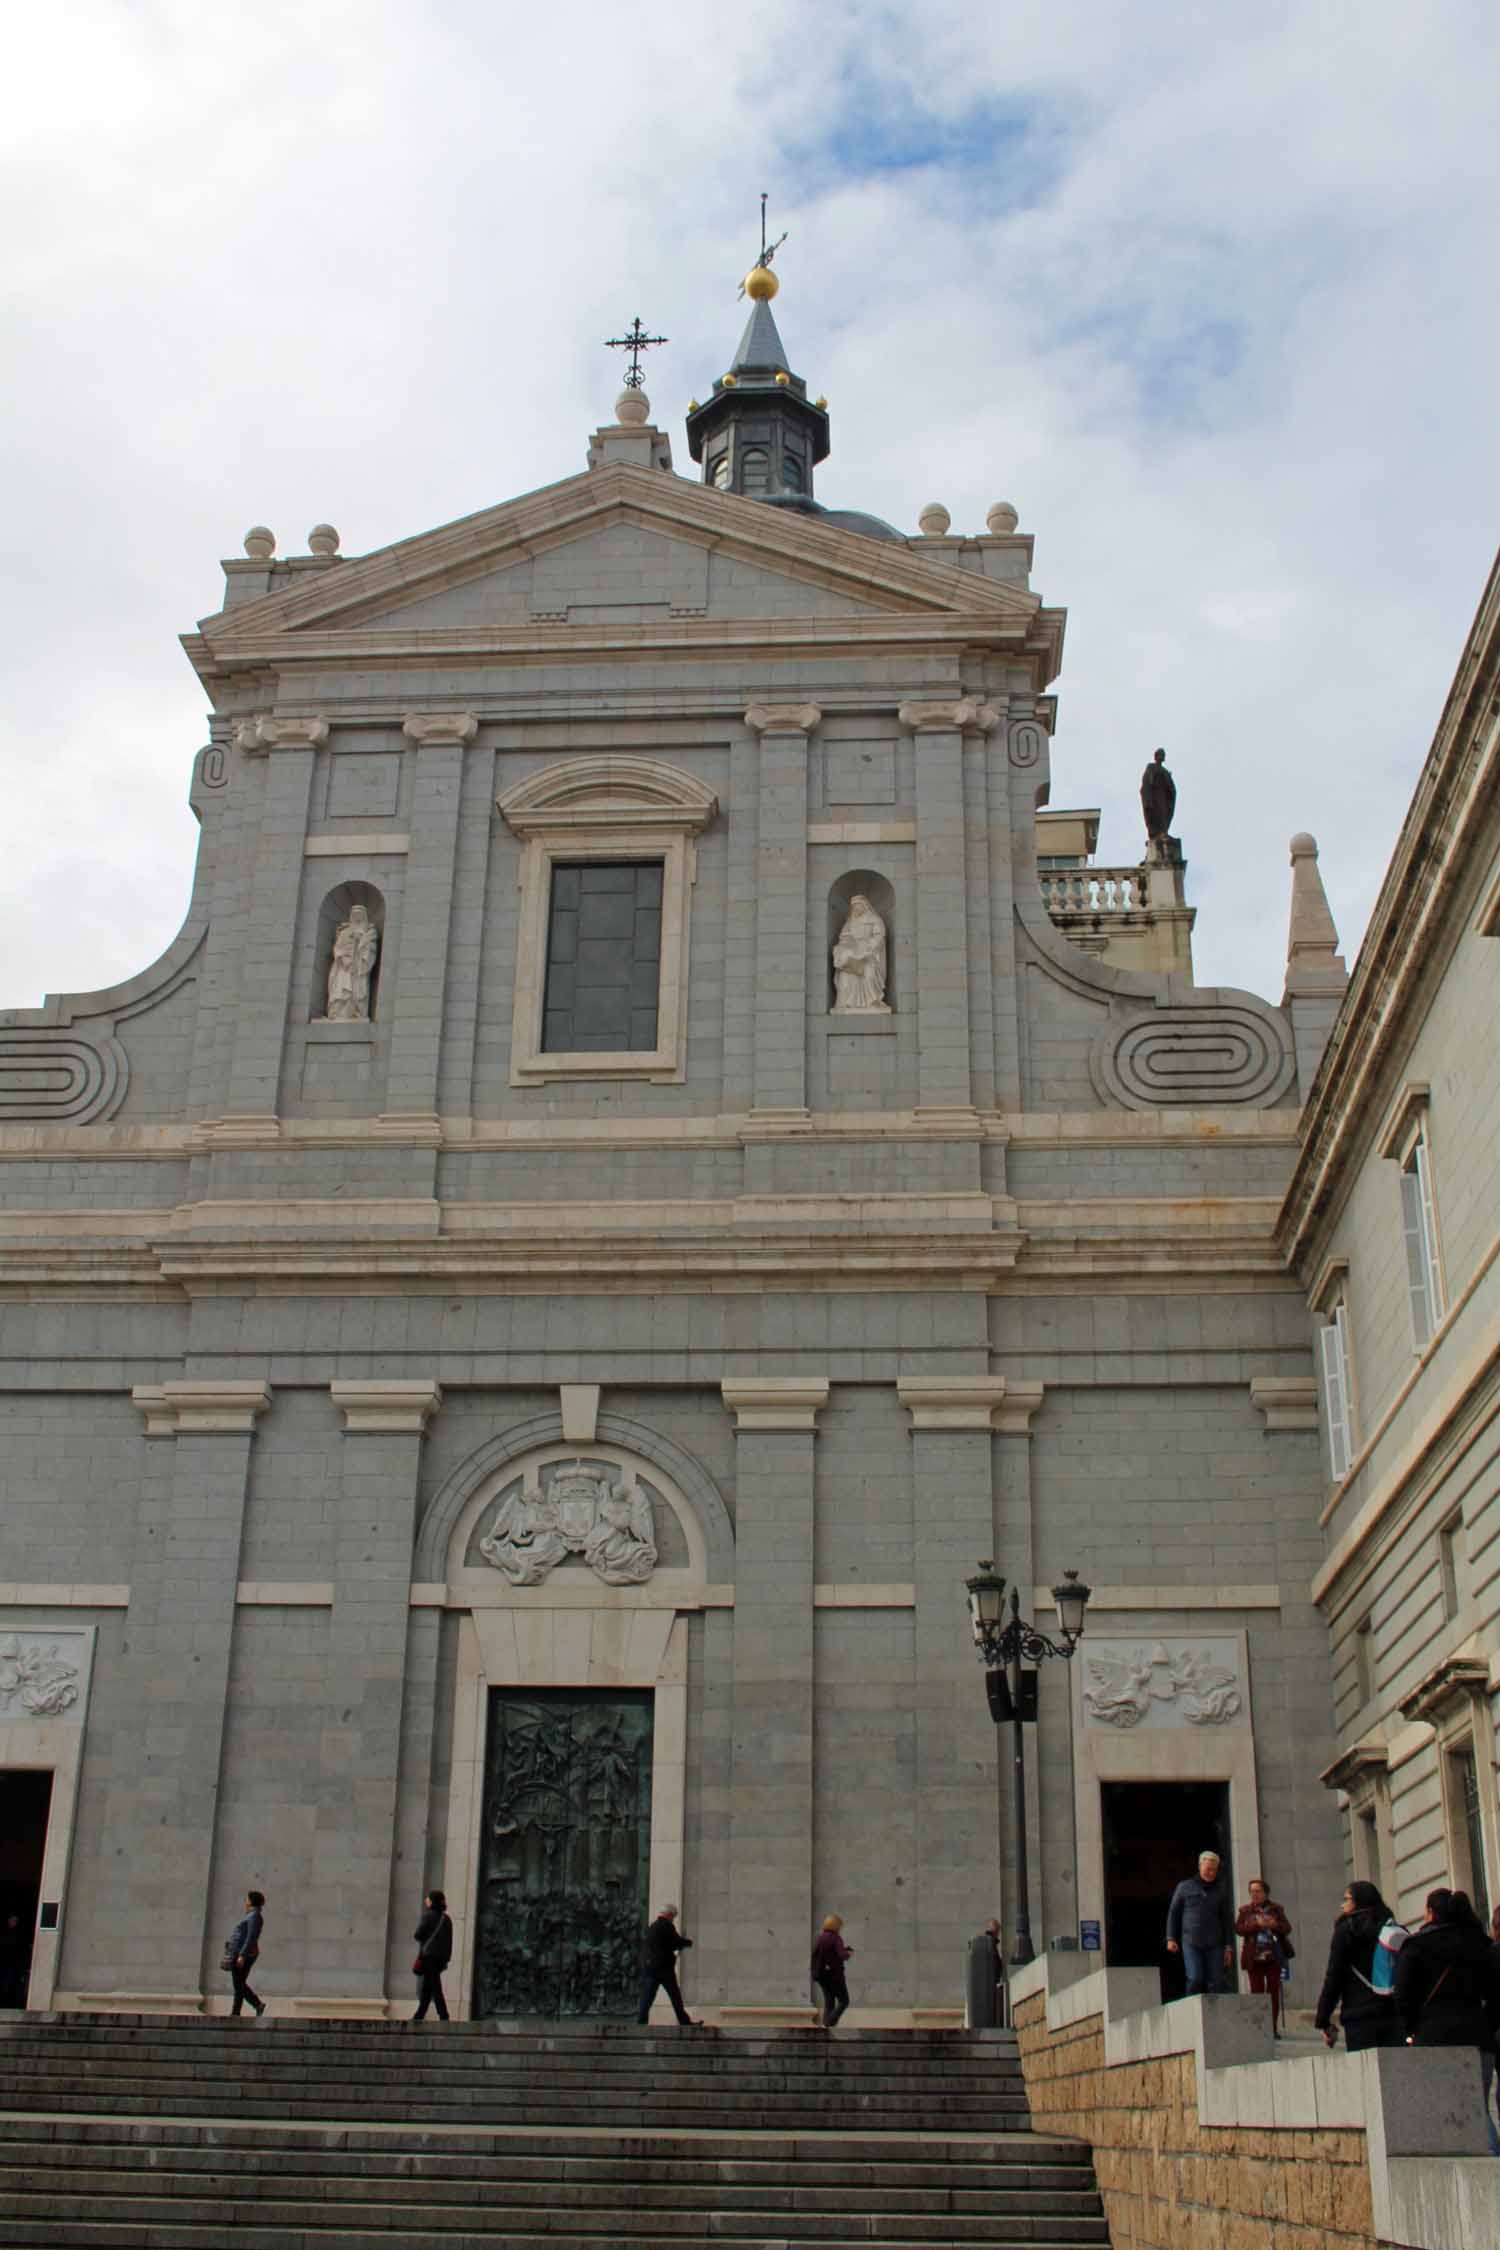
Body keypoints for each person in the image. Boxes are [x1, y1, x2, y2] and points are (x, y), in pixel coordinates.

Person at [1395, 1889, 1500, 2153]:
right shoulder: (1480, 1944)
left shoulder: (1416, 1947)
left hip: (1433, 2038)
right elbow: (1495, 1994)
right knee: (1478, 2107)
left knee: (1443, 2110)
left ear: (1430, 1912)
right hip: (1478, 2036)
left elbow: (1403, 1998)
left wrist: (1413, 2029)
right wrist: (1487, 2024)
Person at [1314, 1880, 1403, 2050]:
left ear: (1358, 1901)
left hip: (1359, 2014)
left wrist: (1323, 2020)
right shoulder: (1391, 1928)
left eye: (1347, 1899)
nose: (1342, 1905)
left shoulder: (1346, 1930)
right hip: (1392, 2012)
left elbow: (1334, 1977)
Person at [1165, 1851, 1234, 1996]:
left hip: (1215, 1943)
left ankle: (1215, 2016)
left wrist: (1228, 1946)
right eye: (1208, 1869)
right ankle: (1191, 2013)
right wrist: (1170, 1938)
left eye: (1214, 1870)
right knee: (1195, 1978)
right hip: (1191, 1941)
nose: (1211, 1873)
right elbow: (1174, 1912)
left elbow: (1226, 1919)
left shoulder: (1221, 1890)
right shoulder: (1184, 1887)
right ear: (1200, 1866)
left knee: (1216, 1982)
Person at [1235, 1877, 1293, 2037]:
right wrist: (1256, 1925)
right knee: (1257, 1993)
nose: (1254, 1894)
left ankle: (1272, 2028)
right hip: (1253, 1957)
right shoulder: (1245, 1910)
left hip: (1273, 1957)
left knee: (1273, 1992)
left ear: (1265, 1893)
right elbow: (1239, 1929)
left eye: (1258, 1891)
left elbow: (1287, 1928)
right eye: (1252, 1891)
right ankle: (1259, 2029)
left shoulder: (1276, 1909)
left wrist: (1274, 1925)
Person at [638, 1903, 698, 2026]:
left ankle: (641, 2022)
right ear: (669, 1914)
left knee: (647, 1998)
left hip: (651, 1968)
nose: (673, 1919)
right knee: (675, 1997)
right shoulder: (666, 1926)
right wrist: (688, 1942)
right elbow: (675, 1942)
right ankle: (685, 2021)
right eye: (673, 1916)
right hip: (664, 1969)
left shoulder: (653, 1926)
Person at [411, 1889, 453, 2023]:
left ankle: (444, 2015)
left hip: (429, 1957)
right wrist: (446, 1958)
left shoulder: (428, 1916)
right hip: (441, 1958)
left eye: (428, 1898)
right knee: (428, 1987)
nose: (426, 1901)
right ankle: (419, 2015)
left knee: (434, 1986)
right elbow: (449, 1941)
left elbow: (418, 1934)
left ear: (432, 1901)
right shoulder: (446, 1919)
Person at [227, 1889, 266, 2019]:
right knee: (239, 1983)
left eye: (247, 1899)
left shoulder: (254, 1916)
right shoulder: (252, 1915)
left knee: (239, 1984)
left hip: (244, 1954)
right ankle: (236, 2012)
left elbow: (251, 1937)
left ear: (251, 1901)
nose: (245, 1902)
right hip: (241, 1953)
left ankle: (257, 2004)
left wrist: (242, 1955)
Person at [811, 1913, 852, 2028]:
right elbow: (842, 1955)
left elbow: (817, 1955)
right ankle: (830, 2023)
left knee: (829, 2002)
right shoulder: (835, 1938)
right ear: (836, 1925)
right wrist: (848, 1953)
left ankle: (826, 2026)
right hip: (835, 1976)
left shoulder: (821, 1938)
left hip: (822, 1976)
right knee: (844, 2001)